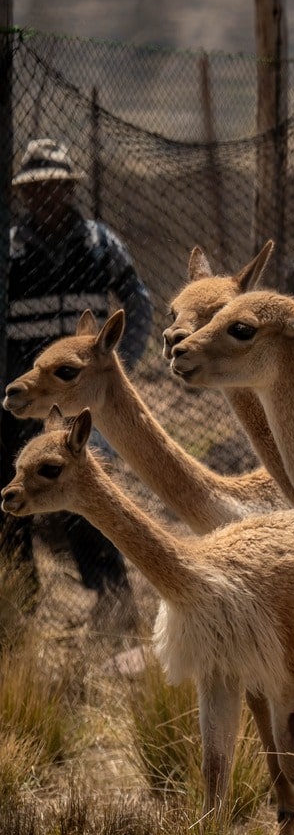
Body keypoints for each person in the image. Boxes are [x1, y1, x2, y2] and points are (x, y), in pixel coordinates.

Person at [2, 139, 149, 632]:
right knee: (16, 491)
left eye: (54, 185)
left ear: (68, 188)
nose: (45, 194)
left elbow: (137, 300)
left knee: (85, 488)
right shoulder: (10, 248)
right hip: (23, 396)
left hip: (81, 397)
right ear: (23, 194)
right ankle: (17, 603)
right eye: (35, 187)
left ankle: (112, 601)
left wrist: (116, 367)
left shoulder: (99, 243)